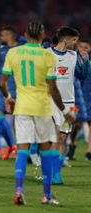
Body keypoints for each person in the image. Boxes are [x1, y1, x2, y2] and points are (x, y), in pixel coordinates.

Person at [0, 22, 74, 205]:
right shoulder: (47, 55)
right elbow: (54, 90)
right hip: (42, 108)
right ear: (42, 35)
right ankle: (46, 195)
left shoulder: (13, 52)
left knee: (23, 150)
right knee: (46, 151)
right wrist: (65, 111)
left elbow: (2, 83)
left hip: (22, 107)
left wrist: (9, 98)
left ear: (25, 34)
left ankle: (19, 190)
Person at [48, 27, 89, 185]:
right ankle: (49, 171)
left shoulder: (73, 55)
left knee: (63, 138)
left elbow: (82, 75)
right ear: (66, 39)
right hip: (50, 101)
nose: (76, 43)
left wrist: (85, 63)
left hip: (69, 103)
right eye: (74, 40)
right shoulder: (47, 54)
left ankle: (56, 174)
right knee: (54, 138)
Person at [0, 26, 25, 160]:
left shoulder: (23, 47)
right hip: (3, 88)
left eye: (2, 35)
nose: (1, 38)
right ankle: (11, 145)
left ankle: (23, 149)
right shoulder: (2, 49)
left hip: (19, 88)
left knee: (20, 121)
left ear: (9, 36)